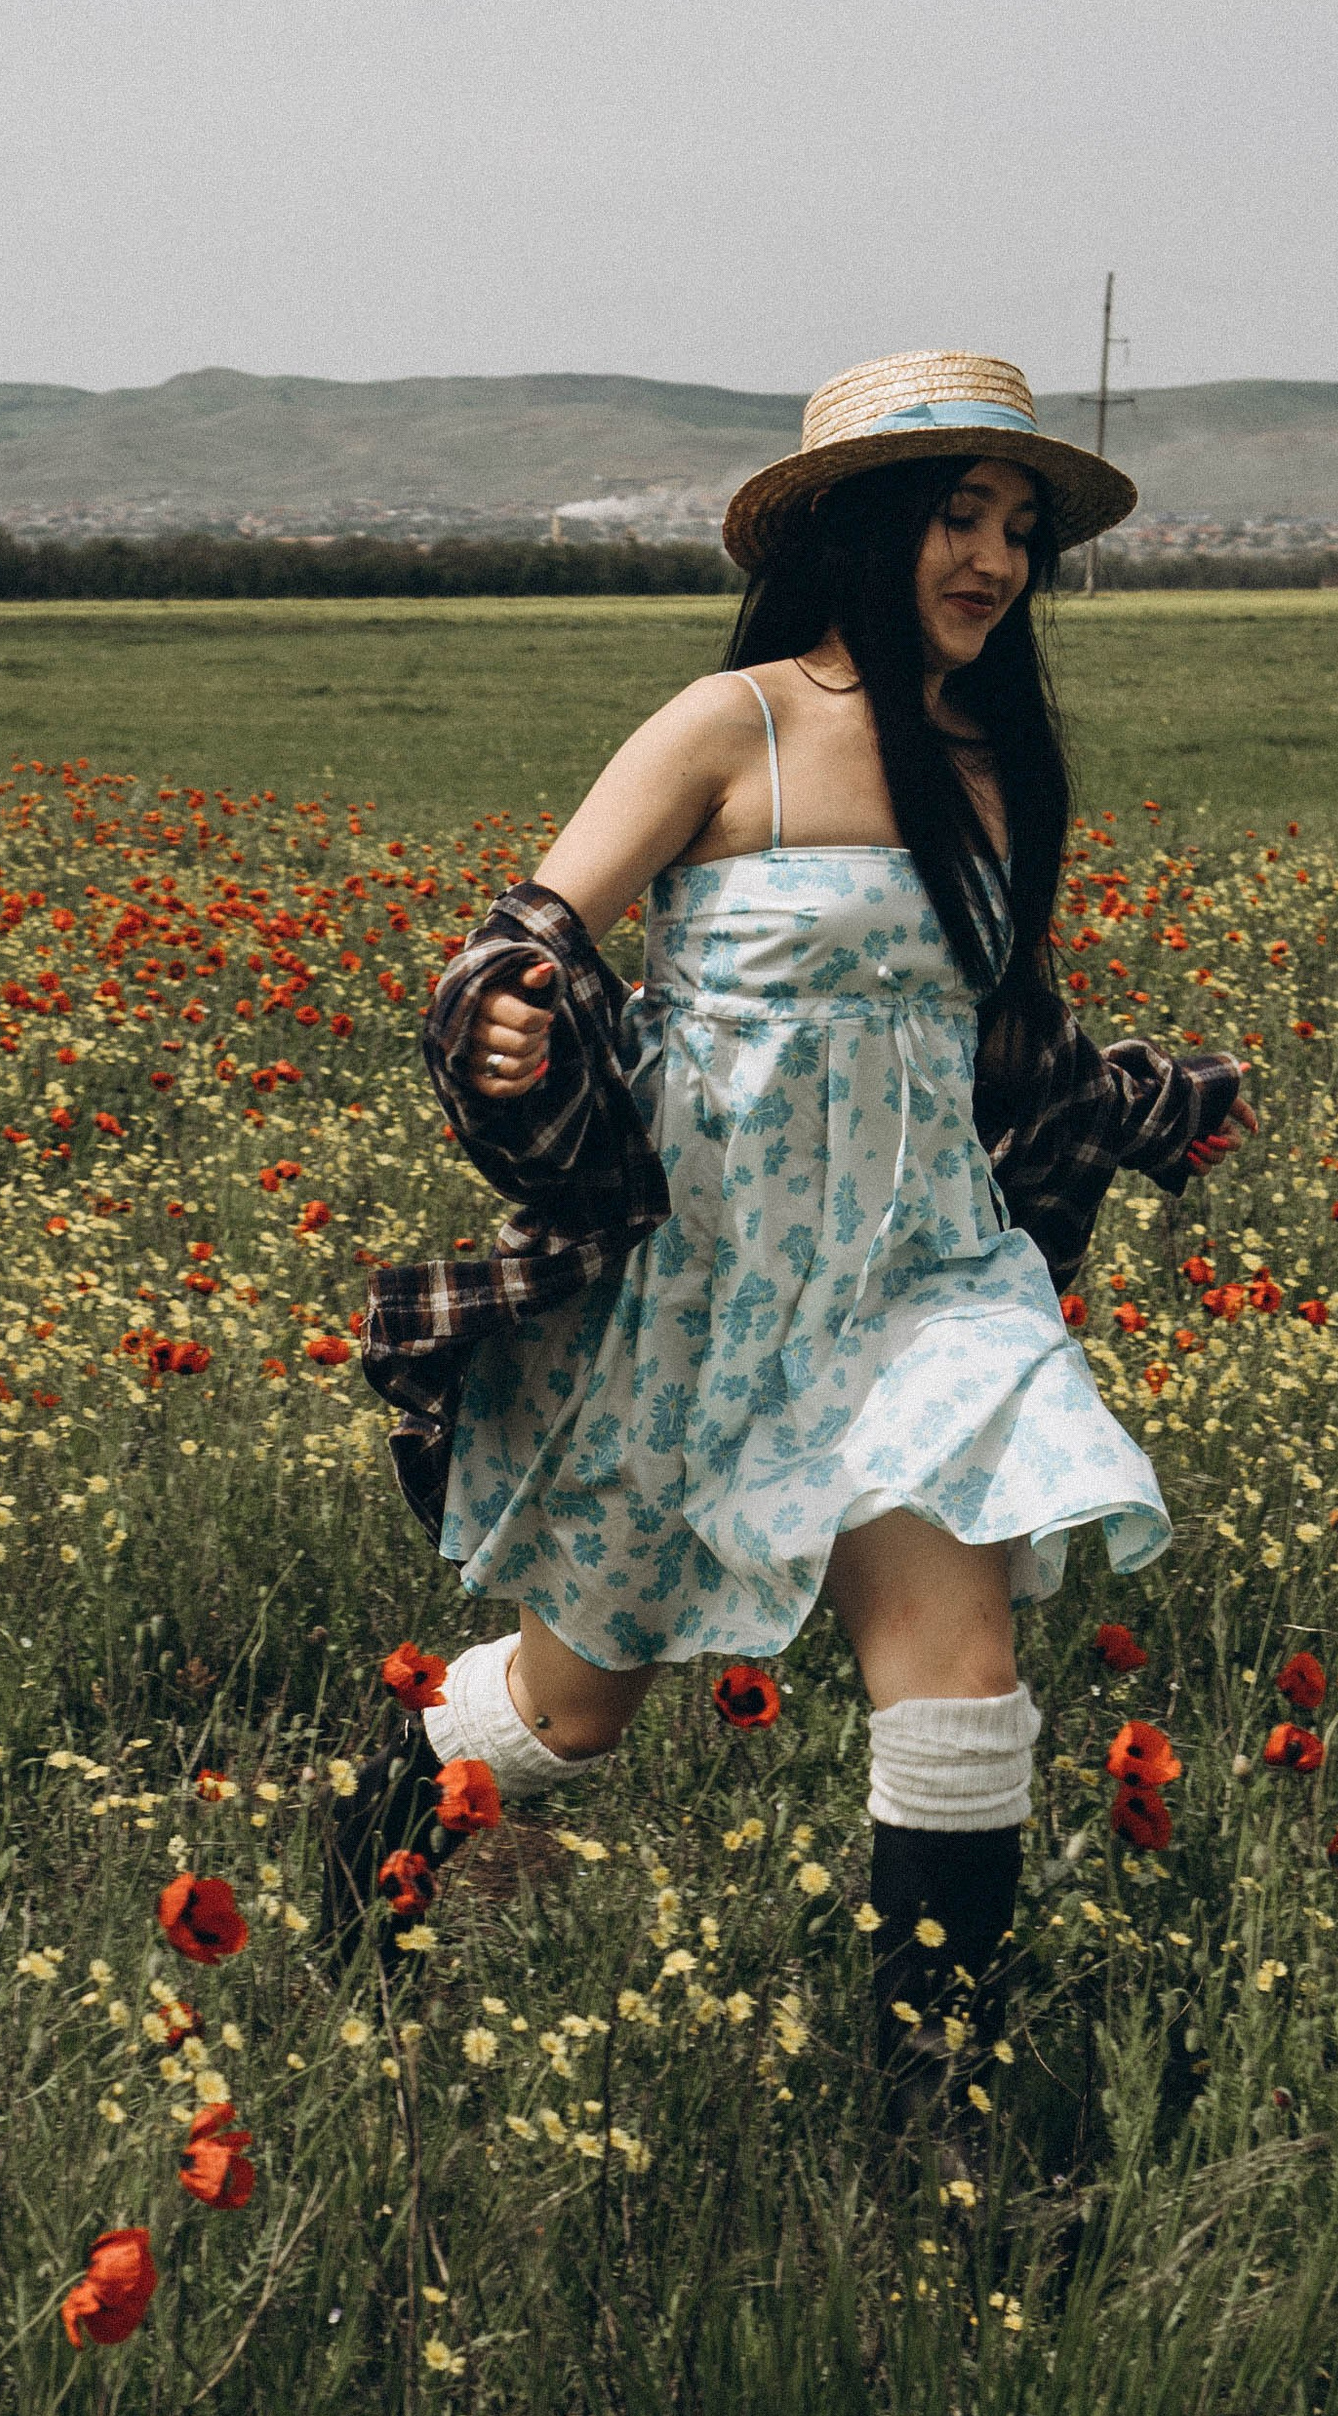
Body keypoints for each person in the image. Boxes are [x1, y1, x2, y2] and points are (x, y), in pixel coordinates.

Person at [362, 350, 1253, 2105]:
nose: (992, 560)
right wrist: (514, 1013)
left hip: (930, 1281)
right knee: (572, 1710)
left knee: (959, 1660)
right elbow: (521, 938)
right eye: (955, 515)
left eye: (1015, 530)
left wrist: (1143, 1108)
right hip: (708, 1295)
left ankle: (937, 2105)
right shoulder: (732, 727)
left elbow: (1002, 1035)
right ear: (859, 527)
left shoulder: (1000, 760)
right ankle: (370, 1842)